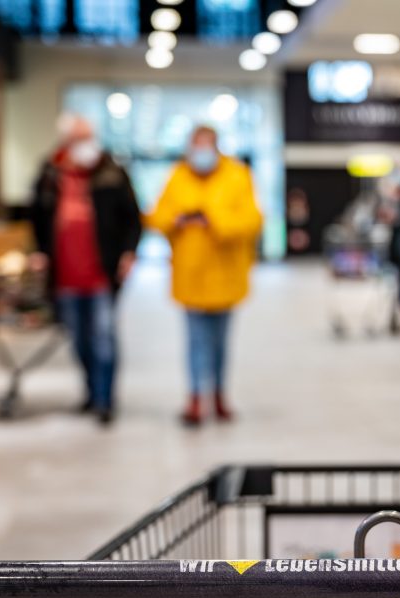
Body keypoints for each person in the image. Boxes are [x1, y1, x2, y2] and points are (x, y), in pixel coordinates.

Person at [148, 125, 262, 426]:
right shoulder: (178, 176)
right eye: (196, 146)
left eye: (206, 146)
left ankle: (219, 394)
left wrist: (213, 219)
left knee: (220, 341)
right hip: (190, 273)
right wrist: (178, 219)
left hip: (226, 273)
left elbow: (251, 221)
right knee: (196, 339)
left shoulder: (237, 176)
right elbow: (157, 216)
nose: (200, 153)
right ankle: (196, 397)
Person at [30, 113, 141, 425]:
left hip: (101, 273)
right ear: (67, 141)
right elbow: (37, 217)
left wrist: (129, 252)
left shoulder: (112, 173)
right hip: (65, 275)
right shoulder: (50, 174)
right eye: (80, 138)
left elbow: (133, 217)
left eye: (89, 137)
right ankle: (91, 391)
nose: (86, 145)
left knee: (103, 336)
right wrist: (40, 252)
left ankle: (106, 399)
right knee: (79, 339)